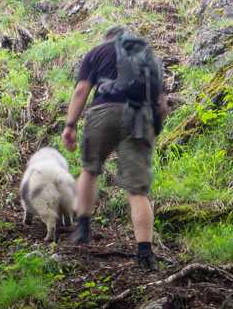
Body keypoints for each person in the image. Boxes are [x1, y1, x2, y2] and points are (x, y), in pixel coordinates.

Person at [60, 25, 166, 271]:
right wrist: (153, 130)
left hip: (104, 112)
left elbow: (81, 91)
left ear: (108, 38)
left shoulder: (96, 53)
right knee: (137, 191)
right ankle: (145, 254)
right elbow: (162, 104)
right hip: (140, 119)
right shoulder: (146, 56)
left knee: (90, 168)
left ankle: (83, 225)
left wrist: (70, 125)